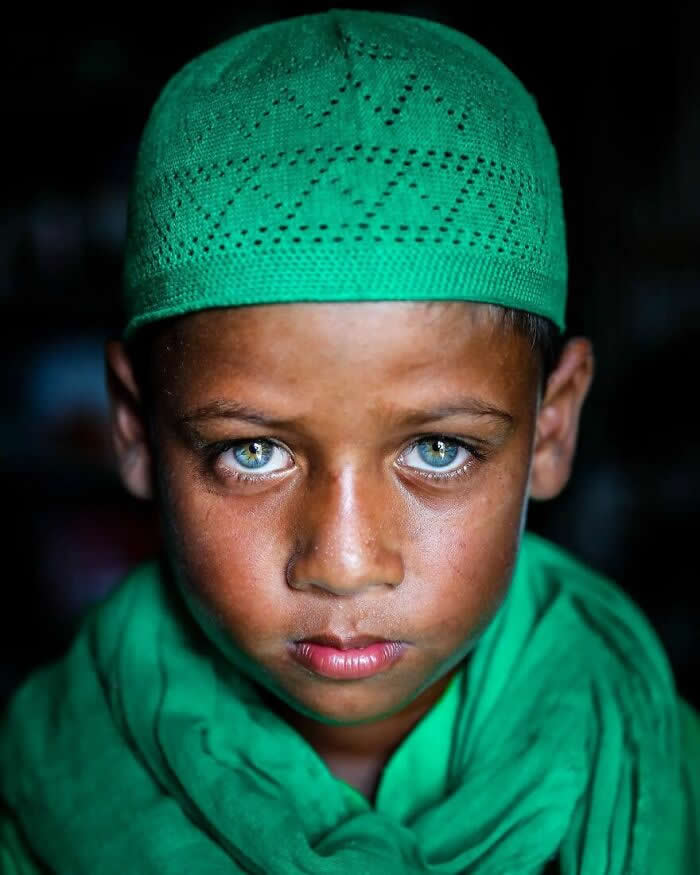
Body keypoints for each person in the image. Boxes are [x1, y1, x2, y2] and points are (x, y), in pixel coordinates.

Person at [1, 9, 698, 873]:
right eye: (251, 452)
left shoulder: (655, 764)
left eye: (438, 449)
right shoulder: (43, 786)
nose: (345, 560)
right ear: (135, 429)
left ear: (552, 430)